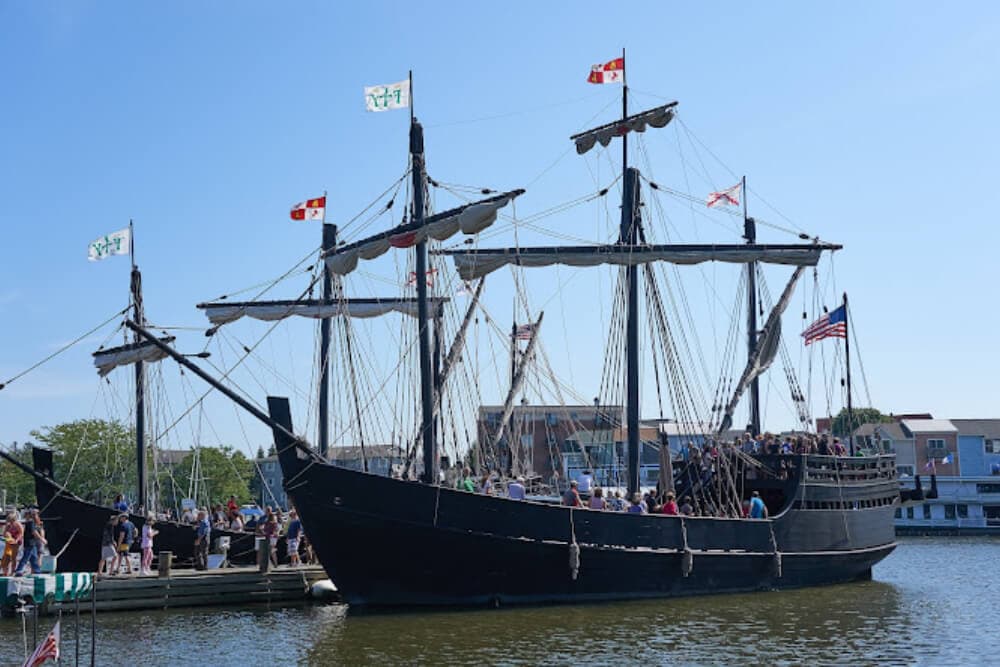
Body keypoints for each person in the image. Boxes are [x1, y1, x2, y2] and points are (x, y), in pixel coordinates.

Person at [14, 510, 46, 576]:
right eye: (36, 515)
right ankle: (19, 570)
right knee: (26, 557)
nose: (37, 516)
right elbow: (34, 532)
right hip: (30, 543)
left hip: (32, 543)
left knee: (34, 558)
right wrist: (42, 539)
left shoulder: (32, 523)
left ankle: (37, 571)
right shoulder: (31, 523)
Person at [1, 512, 23, 576]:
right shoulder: (8, 525)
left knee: (14, 558)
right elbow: (4, 533)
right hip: (9, 542)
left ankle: (12, 571)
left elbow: (21, 533)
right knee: (6, 557)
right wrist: (6, 536)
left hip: (16, 542)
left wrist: (16, 540)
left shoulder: (18, 524)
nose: (9, 522)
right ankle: (6, 571)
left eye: (10, 521)